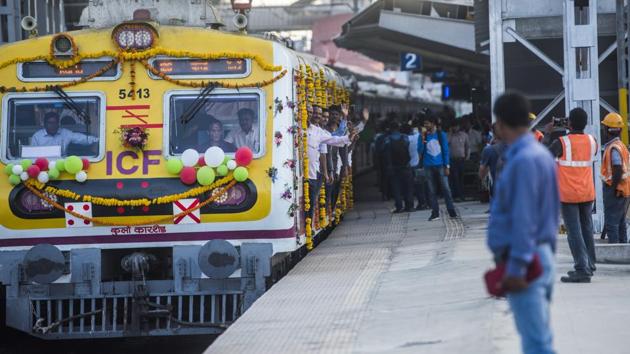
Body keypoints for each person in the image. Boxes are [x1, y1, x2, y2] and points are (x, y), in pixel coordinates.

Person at [487, 92, 558, 354]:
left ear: (501, 124)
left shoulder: (522, 161)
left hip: (526, 261)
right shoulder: (540, 155)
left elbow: (524, 218)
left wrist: (516, 268)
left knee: (536, 344)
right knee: (539, 337)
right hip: (540, 254)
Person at [547, 108, 597, 283]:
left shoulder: (561, 142)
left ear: (569, 123)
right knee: (587, 229)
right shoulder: (593, 141)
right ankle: (590, 265)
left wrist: (548, 134)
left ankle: (581, 269)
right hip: (587, 192)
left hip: (569, 194)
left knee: (574, 232)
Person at [419, 114, 457, 220]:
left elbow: (445, 151)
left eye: (427, 123)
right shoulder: (423, 135)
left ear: (433, 124)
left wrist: (447, 166)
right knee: (431, 190)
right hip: (428, 166)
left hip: (441, 165)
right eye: (424, 124)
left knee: (446, 189)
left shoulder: (441, 135)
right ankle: (435, 212)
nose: (425, 125)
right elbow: (420, 151)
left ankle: (451, 211)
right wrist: (422, 139)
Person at [600, 112, 630, 244]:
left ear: (606, 129)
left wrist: (612, 188)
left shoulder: (613, 148)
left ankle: (614, 251)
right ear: (620, 130)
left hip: (616, 190)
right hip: (624, 189)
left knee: (612, 224)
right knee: (621, 222)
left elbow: (617, 168)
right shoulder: (622, 146)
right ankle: (623, 251)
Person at [31, 111, 98, 155]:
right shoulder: (37, 136)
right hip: (43, 164)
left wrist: (98, 140)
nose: (53, 125)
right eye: (50, 123)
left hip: (62, 163)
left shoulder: (65, 133)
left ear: (58, 124)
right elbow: (32, 154)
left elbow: (81, 138)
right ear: (45, 124)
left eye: (55, 123)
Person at [384, 120, 413, 213]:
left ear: (391, 129)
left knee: (396, 188)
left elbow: (382, 151)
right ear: (398, 128)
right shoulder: (405, 137)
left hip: (393, 167)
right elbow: (409, 148)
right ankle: (409, 206)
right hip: (406, 166)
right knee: (407, 187)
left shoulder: (388, 139)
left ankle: (399, 206)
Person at [448, 121, 470, 201]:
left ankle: (461, 195)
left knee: (461, 178)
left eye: (456, 126)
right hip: (452, 159)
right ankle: (456, 195)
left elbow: (467, 146)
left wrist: (467, 156)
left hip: (461, 159)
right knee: (454, 178)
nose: (455, 128)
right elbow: (447, 142)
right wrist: (450, 133)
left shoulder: (464, 135)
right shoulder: (449, 135)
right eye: (453, 126)